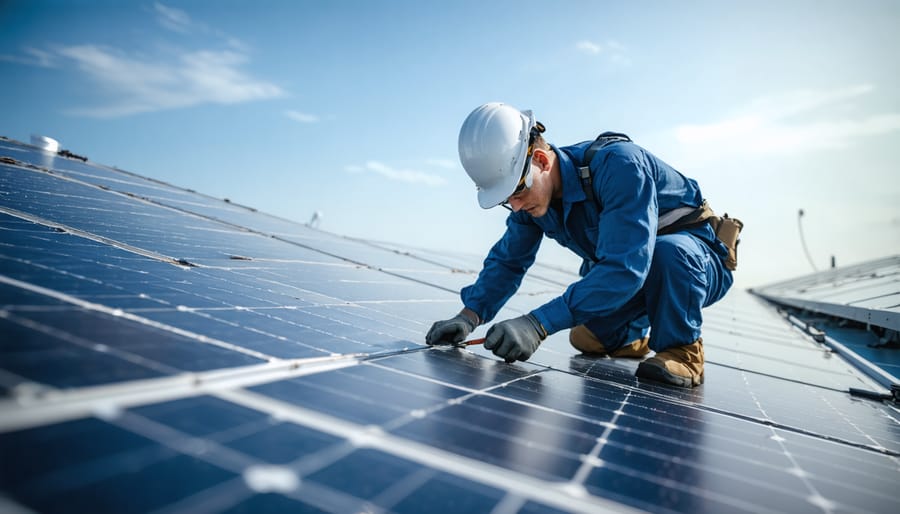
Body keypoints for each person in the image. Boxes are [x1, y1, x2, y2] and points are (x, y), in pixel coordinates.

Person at [426, 102, 740, 388]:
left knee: (667, 254)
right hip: (641, 274)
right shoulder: (533, 202)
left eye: (517, 192)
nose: (516, 206)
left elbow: (625, 269)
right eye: (507, 200)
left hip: (696, 263)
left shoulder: (620, 166)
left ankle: (683, 350)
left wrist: (538, 324)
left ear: (540, 160)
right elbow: (508, 261)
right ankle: (630, 338)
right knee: (587, 338)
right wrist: (468, 317)